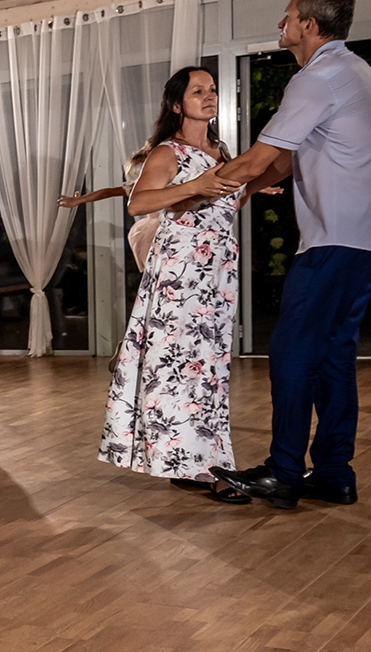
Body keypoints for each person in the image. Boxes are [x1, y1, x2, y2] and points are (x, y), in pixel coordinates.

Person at [207, 0, 371, 510]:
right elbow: (287, 156)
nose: (282, 24)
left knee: (292, 352)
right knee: (333, 355)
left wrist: (191, 192)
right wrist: (248, 187)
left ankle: (284, 472)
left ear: (309, 25)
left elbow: (255, 158)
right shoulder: (356, 73)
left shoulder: (317, 79)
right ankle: (334, 473)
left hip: (335, 243)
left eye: (288, 16)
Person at [97, 67, 259, 502]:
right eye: (197, 91)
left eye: (212, 90)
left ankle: (189, 463)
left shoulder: (220, 151)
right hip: (180, 273)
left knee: (209, 370)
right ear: (176, 104)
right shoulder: (168, 152)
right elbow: (138, 203)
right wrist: (194, 185)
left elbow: (222, 202)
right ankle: (210, 468)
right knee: (179, 369)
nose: (209, 96)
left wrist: (250, 189)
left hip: (217, 272)